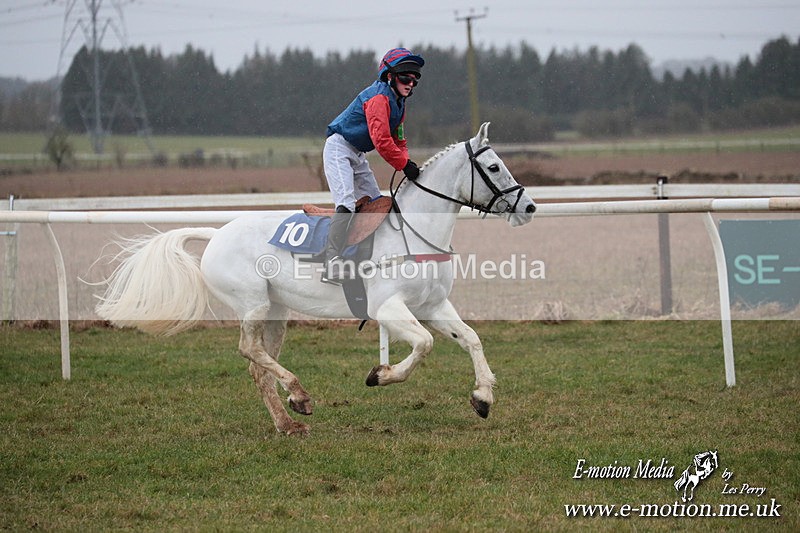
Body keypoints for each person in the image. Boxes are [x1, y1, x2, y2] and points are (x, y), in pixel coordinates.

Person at [321, 47, 424, 282]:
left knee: (377, 204)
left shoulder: (399, 103)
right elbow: (382, 140)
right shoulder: (378, 98)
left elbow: (399, 140)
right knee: (346, 203)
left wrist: (406, 161)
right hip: (339, 149)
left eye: (415, 80)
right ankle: (332, 263)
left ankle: (373, 256)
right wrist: (403, 163)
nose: (411, 84)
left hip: (357, 154)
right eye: (406, 78)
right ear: (390, 76)